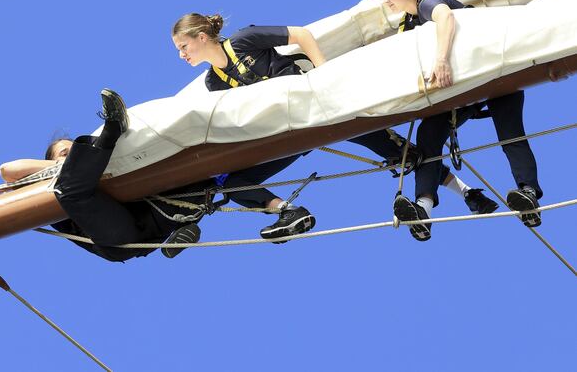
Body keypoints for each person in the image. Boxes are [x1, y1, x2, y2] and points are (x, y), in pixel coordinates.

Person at [170, 14, 495, 232]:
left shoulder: (243, 40)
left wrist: (324, 74)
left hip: (318, 108)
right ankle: (286, 211)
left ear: (201, 37)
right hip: (286, 134)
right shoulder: (215, 83)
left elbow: (300, 34)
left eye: (183, 46)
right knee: (231, 181)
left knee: (404, 154)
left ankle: (466, 193)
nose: (182, 55)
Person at [0, 89, 311, 261]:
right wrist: (70, 161)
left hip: (158, 214)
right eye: (65, 152)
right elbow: (7, 170)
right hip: (118, 238)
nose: (72, 154)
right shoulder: (53, 182)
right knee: (69, 189)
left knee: (218, 176)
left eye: (75, 149)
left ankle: (286, 212)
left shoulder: (105, 168)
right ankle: (112, 130)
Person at [378, 0, 543, 241]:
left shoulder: (427, 1)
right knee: (429, 133)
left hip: (495, 74)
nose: (385, 1)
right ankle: (423, 208)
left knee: (509, 133)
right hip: (463, 91)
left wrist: (441, 60)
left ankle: (528, 193)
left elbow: (446, 18)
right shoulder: (408, 25)